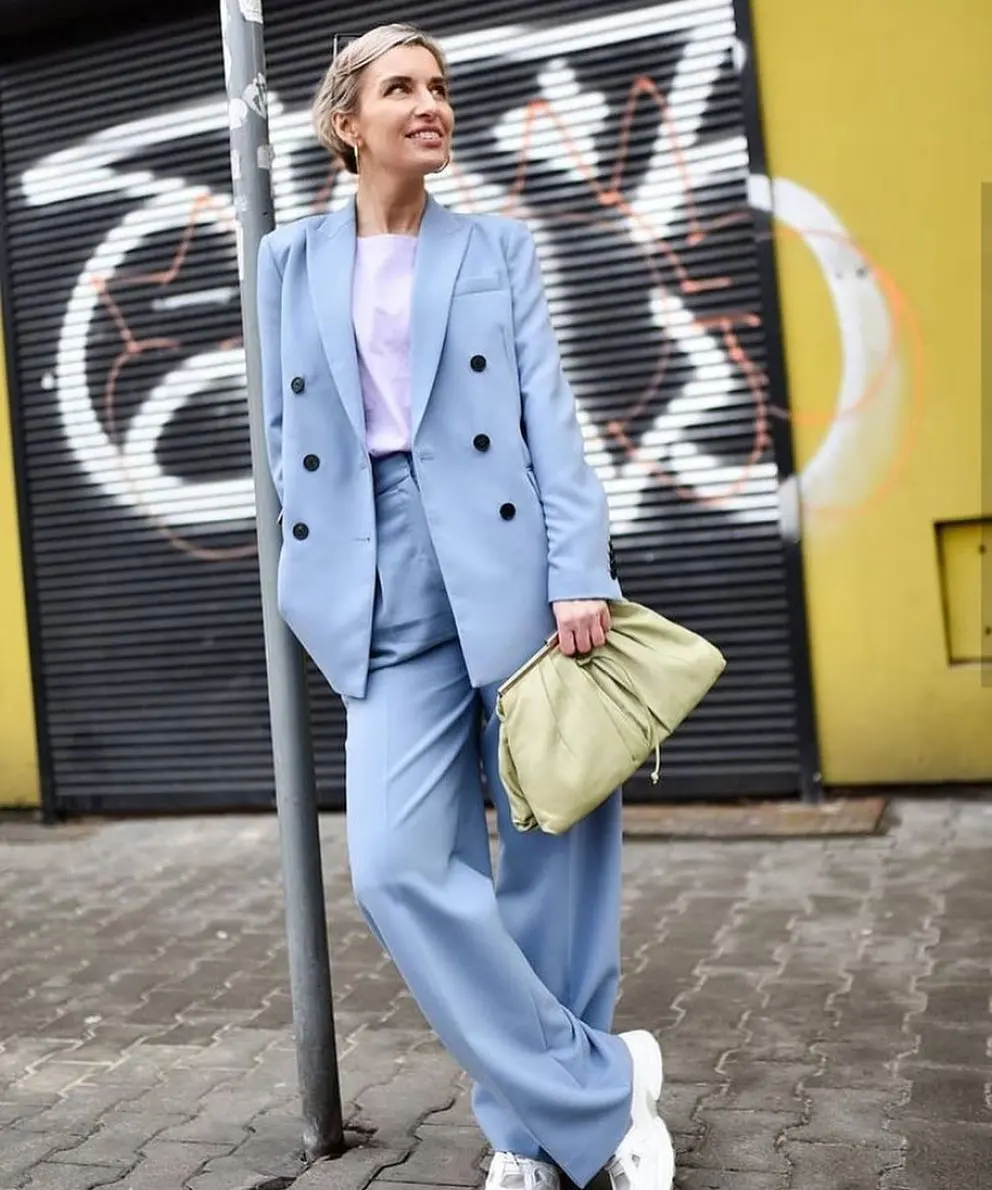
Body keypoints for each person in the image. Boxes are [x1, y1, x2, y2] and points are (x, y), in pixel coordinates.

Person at [255, 22, 675, 1190]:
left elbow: (550, 415)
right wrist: (313, 568)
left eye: (438, 86)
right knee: (396, 866)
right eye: (400, 87)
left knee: (552, 855)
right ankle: (601, 1086)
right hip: (374, 574)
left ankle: (527, 1133)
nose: (429, 103)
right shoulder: (286, 260)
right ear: (347, 122)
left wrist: (577, 565)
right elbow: (286, 434)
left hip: (508, 562)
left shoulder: (497, 247)